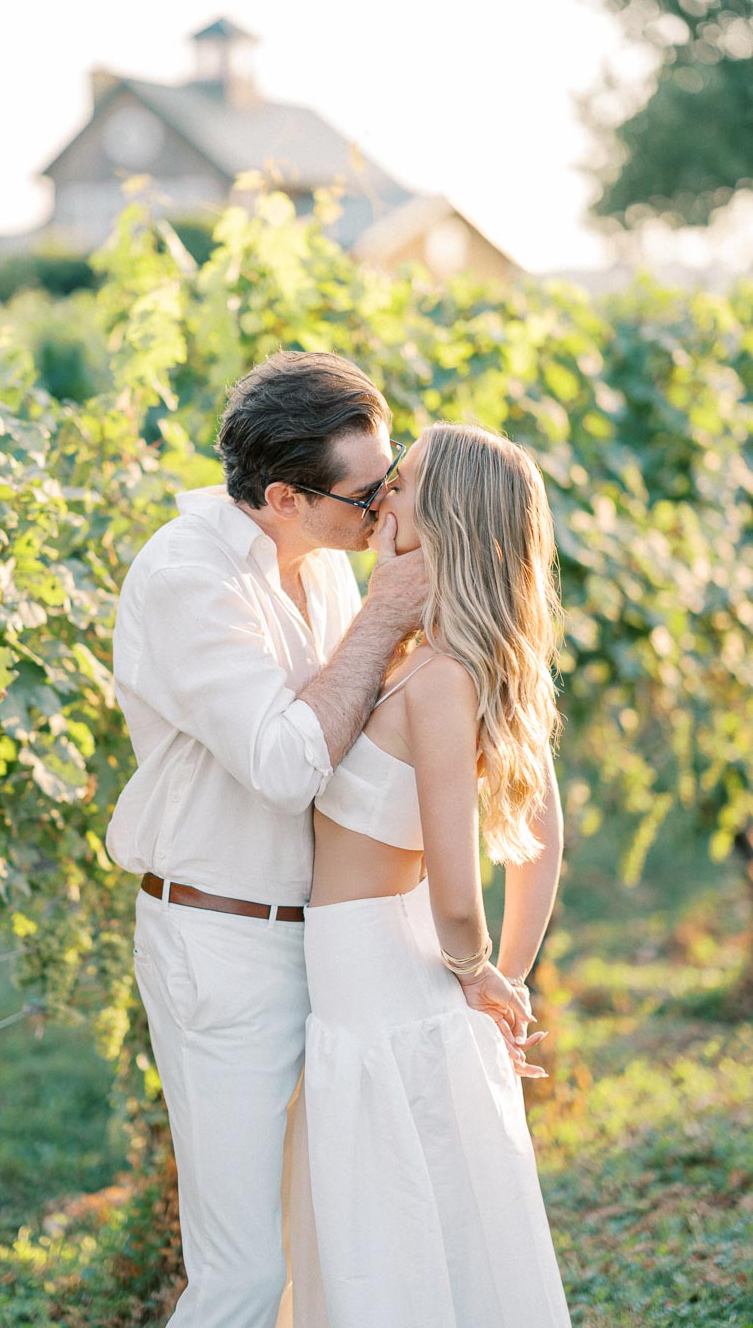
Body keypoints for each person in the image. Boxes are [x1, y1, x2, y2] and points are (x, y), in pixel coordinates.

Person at [105, 350, 428, 1328]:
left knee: (327, 1244)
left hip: (325, 938)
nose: (383, 514)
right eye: (368, 497)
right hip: (225, 944)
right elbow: (289, 763)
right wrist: (384, 621)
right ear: (285, 496)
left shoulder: (319, 562)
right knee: (242, 1273)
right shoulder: (187, 577)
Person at [292, 422, 572, 1326]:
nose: (385, 500)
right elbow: (548, 831)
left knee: (401, 1231)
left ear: (445, 516)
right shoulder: (434, 656)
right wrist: (502, 978)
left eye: (403, 486)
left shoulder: (444, 677)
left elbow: (461, 890)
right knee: (421, 1220)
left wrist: (482, 971)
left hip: (387, 984)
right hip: (371, 976)